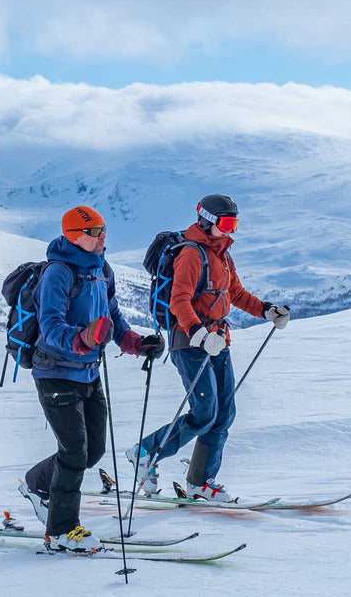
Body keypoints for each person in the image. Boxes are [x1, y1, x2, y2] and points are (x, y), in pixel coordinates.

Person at [17, 205, 164, 553]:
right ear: (75, 236)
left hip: (89, 373)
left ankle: (36, 483)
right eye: (96, 232)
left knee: (92, 451)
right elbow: (51, 326)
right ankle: (62, 531)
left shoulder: (101, 269)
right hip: (55, 372)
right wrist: (82, 338)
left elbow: (112, 317)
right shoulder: (58, 273)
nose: (103, 238)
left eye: (103, 230)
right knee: (73, 451)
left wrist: (137, 344)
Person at [125, 194, 291, 502]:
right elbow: (179, 301)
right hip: (190, 341)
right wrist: (199, 335)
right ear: (208, 221)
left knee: (224, 413)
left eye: (235, 224)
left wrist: (267, 310)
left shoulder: (223, 255)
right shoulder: (191, 254)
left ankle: (201, 482)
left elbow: (236, 293)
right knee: (204, 413)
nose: (231, 231)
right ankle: (146, 452)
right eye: (227, 224)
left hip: (218, 342)